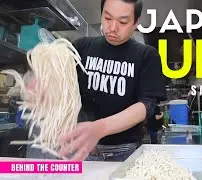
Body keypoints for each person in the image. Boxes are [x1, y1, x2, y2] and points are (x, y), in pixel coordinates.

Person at [26, 0, 167, 162]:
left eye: (122, 22)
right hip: (79, 149)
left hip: (122, 152)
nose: (113, 28)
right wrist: (44, 82)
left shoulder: (146, 55)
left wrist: (99, 128)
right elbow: (57, 80)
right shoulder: (81, 47)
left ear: (136, 22)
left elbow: (146, 105)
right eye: (107, 18)